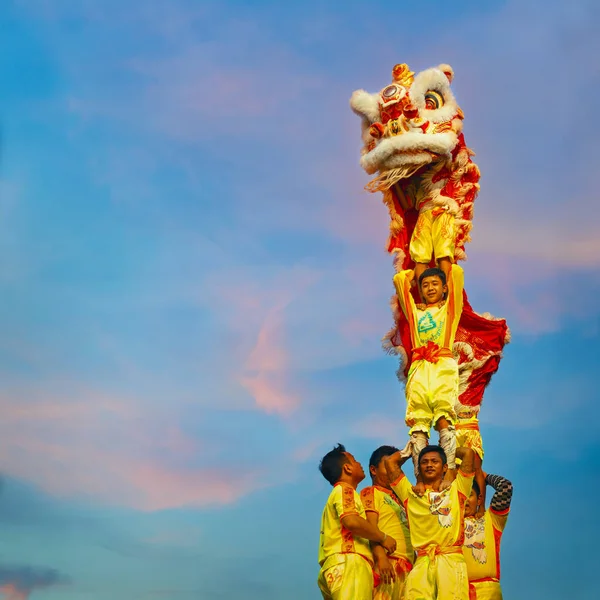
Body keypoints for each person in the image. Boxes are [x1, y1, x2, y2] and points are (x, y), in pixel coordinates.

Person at [393, 265, 464, 492]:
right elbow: (399, 280)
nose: (430, 288)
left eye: (435, 284)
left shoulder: (450, 310)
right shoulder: (416, 313)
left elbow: (457, 274)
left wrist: (442, 280)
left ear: (445, 288)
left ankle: (450, 468)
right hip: (419, 368)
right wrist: (413, 277)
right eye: (425, 285)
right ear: (420, 291)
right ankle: (420, 478)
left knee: (444, 418)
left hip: (442, 365)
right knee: (418, 424)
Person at [384, 444, 475, 600]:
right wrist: (414, 447)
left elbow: (468, 453)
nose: (429, 465)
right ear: (419, 468)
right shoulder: (410, 493)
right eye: (424, 462)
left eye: (435, 461)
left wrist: (449, 454)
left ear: (445, 467)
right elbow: (390, 463)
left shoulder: (456, 489)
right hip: (423, 562)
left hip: (451, 560)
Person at [318, 444, 397, 600]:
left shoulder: (339, 493)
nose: (360, 464)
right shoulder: (345, 489)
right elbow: (352, 521)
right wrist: (383, 537)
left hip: (335, 566)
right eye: (354, 460)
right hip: (349, 562)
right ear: (347, 468)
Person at [360, 445, 415, 600]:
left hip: (407, 566)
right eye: (387, 466)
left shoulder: (399, 500)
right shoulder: (371, 492)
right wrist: (381, 558)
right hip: (387, 564)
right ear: (373, 470)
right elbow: (370, 528)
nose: (391, 471)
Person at [463, 472, 513, 599]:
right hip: (455, 591)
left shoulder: (491, 519)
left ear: (479, 499)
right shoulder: (447, 523)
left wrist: (482, 475)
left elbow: (505, 487)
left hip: (488, 592)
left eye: (470, 495)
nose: (466, 501)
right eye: (461, 496)